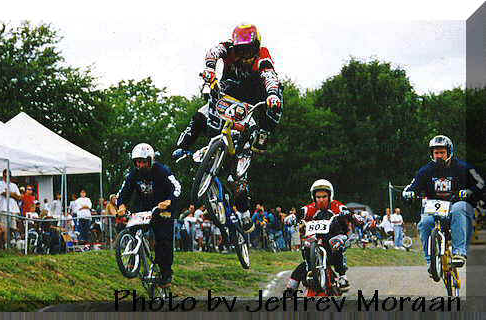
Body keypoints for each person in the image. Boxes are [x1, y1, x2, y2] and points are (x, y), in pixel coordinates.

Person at [172, 24, 283, 234]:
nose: (244, 56)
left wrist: (272, 95)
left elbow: (270, 75)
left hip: (255, 100)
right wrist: (209, 69)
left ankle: (244, 213)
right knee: (202, 113)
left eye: (248, 50)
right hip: (230, 93)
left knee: (237, 178)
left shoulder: (262, 57)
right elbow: (213, 51)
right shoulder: (227, 48)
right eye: (240, 51)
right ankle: (183, 146)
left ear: (256, 46)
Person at [403, 135, 485, 275]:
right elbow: (412, 186)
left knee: (459, 208)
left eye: (442, 152)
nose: (439, 156)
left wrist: (469, 191)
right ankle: (430, 261)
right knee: (424, 223)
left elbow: (481, 183)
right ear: (432, 154)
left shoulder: (464, 167)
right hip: (434, 209)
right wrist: (409, 193)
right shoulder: (425, 171)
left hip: (458, 207)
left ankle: (459, 253)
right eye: (436, 153)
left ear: (449, 152)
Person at [117, 143, 181, 287]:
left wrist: (169, 201)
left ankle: (166, 273)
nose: (141, 164)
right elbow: (123, 192)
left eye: (144, 161)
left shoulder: (162, 171)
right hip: (144, 209)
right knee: (132, 230)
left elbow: (177, 187)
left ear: (151, 160)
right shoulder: (133, 174)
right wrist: (121, 205)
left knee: (163, 239)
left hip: (162, 208)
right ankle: (133, 260)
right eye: (138, 161)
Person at [286, 179, 363, 294]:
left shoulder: (336, 205)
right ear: (314, 197)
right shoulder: (311, 207)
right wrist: (292, 217)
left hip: (335, 237)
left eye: (324, 196)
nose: (321, 200)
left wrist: (353, 216)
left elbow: (346, 210)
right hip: (316, 240)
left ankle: (342, 276)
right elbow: (302, 211)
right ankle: (296, 282)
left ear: (330, 196)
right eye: (318, 197)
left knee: (335, 243)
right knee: (306, 246)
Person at [0, 169, 22, 240]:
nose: (7, 177)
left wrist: (10, 193)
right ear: (3, 176)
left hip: (13, 209)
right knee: (4, 227)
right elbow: (4, 193)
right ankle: (5, 244)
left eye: (8, 176)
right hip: (4, 208)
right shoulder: (0, 183)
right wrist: (13, 194)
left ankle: (12, 242)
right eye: (5, 176)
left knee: (13, 227)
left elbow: (19, 197)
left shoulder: (14, 185)